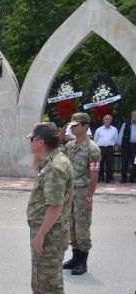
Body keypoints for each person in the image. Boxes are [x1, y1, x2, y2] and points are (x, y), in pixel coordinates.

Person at [25, 122, 74, 294]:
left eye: (32, 139)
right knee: (44, 278)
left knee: (47, 280)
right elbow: (36, 167)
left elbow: (54, 206)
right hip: (49, 230)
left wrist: (40, 235)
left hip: (50, 233)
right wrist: (39, 152)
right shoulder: (52, 160)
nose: (30, 142)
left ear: (41, 141)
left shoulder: (55, 167)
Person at [60, 112, 100, 276]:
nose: (73, 128)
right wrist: (61, 136)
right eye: (72, 125)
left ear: (86, 126)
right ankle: (75, 257)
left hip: (83, 194)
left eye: (76, 125)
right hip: (69, 194)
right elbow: (57, 152)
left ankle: (83, 261)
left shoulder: (93, 149)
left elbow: (94, 176)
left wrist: (89, 198)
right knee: (70, 225)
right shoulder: (70, 146)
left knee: (82, 227)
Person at [93, 115, 117, 183]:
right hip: (100, 148)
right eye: (106, 119)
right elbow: (95, 139)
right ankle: (100, 178)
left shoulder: (114, 129)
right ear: (103, 120)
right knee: (100, 164)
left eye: (109, 119)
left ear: (111, 120)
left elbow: (115, 139)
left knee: (109, 164)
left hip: (110, 148)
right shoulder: (99, 129)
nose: (107, 120)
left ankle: (108, 179)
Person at [118, 110, 136, 183]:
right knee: (124, 162)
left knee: (135, 163)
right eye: (134, 115)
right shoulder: (125, 124)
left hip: (135, 147)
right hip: (126, 146)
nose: (135, 117)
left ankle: (132, 178)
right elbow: (121, 134)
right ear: (131, 116)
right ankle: (123, 178)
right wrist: (119, 144)